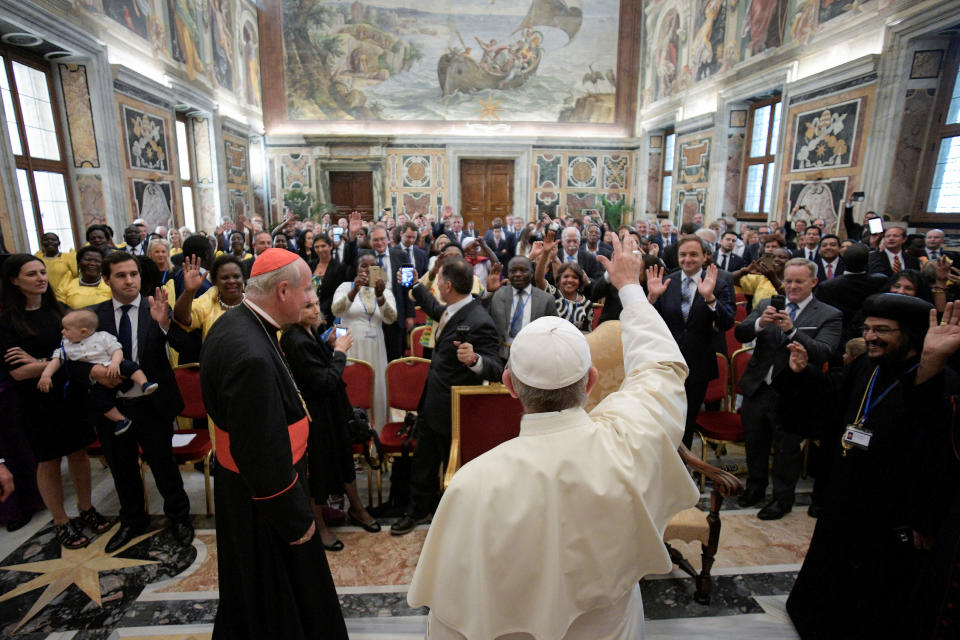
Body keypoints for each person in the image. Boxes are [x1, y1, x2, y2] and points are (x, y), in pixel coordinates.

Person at [407, 235, 699, 638]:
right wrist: (630, 288)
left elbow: (450, 619)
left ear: (510, 385)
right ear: (592, 381)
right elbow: (661, 369)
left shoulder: (472, 483)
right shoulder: (629, 440)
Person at [781, 295, 960, 639]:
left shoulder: (941, 383)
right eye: (867, 328)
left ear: (910, 334)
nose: (871, 337)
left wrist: (926, 517)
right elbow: (834, 398)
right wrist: (803, 376)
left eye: (882, 330)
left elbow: (937, 455)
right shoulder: (868, 366)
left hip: (890, 509)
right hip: (846, 491)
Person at [200, 249, 349, 640]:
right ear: (283, 290)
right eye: (306, 291)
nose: (308, 300)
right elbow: (262, 456)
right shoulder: (252, 356)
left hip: (246, 488)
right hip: (266, 504)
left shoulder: (235, 322)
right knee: (279, 599)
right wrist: (297, 521)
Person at [1, 255, 113, 548]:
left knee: (78, 454)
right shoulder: (8, 323)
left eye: (41, 272)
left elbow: (86, 353)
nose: (40, 278)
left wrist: (47, 361)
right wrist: (57, 361)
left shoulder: (60, 312)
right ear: (14, 280)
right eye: (30, 274)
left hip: (69, 396)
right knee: (48, 461)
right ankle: (61, 520)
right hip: (36, 400)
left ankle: (86, 507)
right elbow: (19, 371)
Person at [391, 258, 505, 535]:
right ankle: (417, 511)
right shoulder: (453, 309)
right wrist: (414, 283)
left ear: (448, 285)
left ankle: (454, 519)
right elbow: (432, 307)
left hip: (455, 408)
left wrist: (475, 359)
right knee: (423, 461)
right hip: (432, 401)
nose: (436, 285)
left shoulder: (480, 320)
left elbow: (498, 366)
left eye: (438, 280)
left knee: (452, 467)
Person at [90, 251, 193, 552]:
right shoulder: (94, 316)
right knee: (122, 468)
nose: (129, 280)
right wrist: (96, 373)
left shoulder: (156, 308)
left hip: (152, 404)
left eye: (133, 274)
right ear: (107, 279)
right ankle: (132, 520)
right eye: (121, 275)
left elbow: (184, 345)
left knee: (164, 465)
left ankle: (179, 518)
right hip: (113, 407)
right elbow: (77, 357)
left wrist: (163, 326)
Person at [734, 258, 842, 520]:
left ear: (813, 282)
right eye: (788, 281)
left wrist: (792, 331)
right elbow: (742, 333)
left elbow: (824, 352)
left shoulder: (829, 314)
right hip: (759, 386)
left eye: (799, 281)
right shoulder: (766, 304)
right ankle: (755, 488)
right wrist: (761, 323)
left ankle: (782, 499)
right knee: (755, 443)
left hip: (795, 392)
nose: (792, 287)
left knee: (787, 449)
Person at [281, 289, 380, 551]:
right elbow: (323, 381)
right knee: (320, 471)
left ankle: (357, 509)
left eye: (315, 304)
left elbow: (320, 366)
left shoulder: (309, 332)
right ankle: (320, 525)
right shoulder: (295, 339)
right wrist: (339, 352)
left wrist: (328, 346)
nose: (315, 310)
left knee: (345, 459)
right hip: (316, 415)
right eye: (308, 307)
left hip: (333, 410)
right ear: (293, 311)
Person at [647, 236, 736, 447]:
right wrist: (650, 299)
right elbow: (648, 322)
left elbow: (726, 322)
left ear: (705, 256)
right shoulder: (666, 282)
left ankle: (682, 470)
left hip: (698, 365)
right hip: (666, 363)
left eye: (694, 254)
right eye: (683, 255)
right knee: (662, 418)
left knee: (686, 421)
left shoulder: (719, 283)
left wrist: (710, 298)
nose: (688, 259)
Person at [38, 309, 157, 435]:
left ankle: (144, 383)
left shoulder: (103, 337)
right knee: (98, 400)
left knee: (129, 366)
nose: (62, 332)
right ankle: (121, 419)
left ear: (83, 331)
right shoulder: (66, 346)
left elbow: (117, 350)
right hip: (98, 381)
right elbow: (57, 361)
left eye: (66, 329)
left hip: (113, 365)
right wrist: (46, 375)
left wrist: (115, 363)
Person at [331, 252, 397, 429]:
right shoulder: (345, 286)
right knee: (355, 387)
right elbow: (336, 310)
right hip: (351, 343)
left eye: (372, 266)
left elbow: (391, 318)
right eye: (363, 266)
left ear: (378, 269)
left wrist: (381, 296)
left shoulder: (385, 290)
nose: (367, 270)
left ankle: (379, 437)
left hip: (376, 346)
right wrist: (354, 292)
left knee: (377, 388)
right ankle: (353, 435)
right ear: (357, 268)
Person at [486, 255, 557, 359]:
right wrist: (490, 292)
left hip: (534, 357)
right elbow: (483, 319)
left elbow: (554, 332)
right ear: (508, 274)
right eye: (513, 271)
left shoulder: (546, 300)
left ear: (532, 273)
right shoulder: (498, 294)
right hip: (500, 356)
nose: (518, 274)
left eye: (523, 270)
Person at [815, 243, 887, 346]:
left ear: (843, 260)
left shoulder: (827, 287)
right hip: (870, 335)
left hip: (837, 338)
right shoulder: (880, 281)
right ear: (867, 262)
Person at [174, 255, 246, 341]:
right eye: (225, 278)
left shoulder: (254, 303)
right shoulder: (207, 303)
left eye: (236, 276)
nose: (231, 281)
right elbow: (182, 318)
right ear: (214, 281)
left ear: (243, 279)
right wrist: (189, 292)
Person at [533, 235, 595, 332]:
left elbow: (588, 334)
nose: (570, 280)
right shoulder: (553, 294)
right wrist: (546, 253)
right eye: (566, 276)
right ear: (559, 279)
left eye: (574, 277)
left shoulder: (587, 304)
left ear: (580, 282)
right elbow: (538, 279)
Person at [309, 232, 349, 327]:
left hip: (328, 315)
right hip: (310, 312)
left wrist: (320, 310)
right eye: (317, 247)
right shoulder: (310, 265)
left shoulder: (339, 267)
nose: (320, 250)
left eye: (323, 246)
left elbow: (336, 293)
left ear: (330, 246)